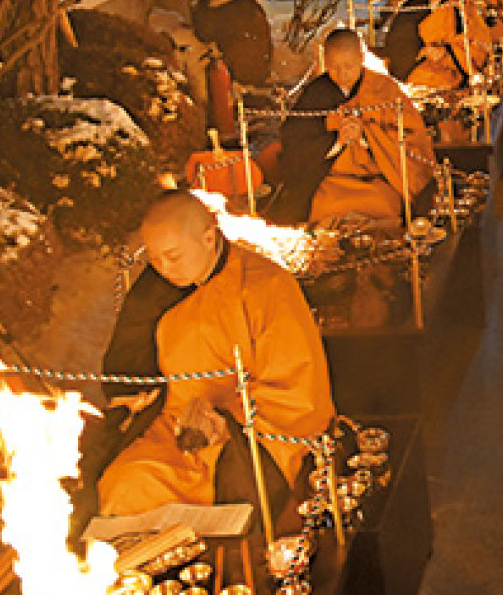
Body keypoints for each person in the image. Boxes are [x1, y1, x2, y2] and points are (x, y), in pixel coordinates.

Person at [92, 191, 336, 517]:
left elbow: (297, 392)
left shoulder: (266, 286)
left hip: (248, 432)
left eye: (173, 256)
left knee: (232, 502)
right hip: (173, 425)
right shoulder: (157, 289)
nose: (164, 268)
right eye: (154, 258)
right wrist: (136, 399)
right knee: (122, 484)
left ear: (209, 237)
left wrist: (225, 424)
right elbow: (130, 368)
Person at [270, 27, 433, 225]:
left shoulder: (384, 89)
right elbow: (294, 143)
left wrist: (366, 137)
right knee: (323, 206)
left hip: (377, 178)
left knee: (385, 205)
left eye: (349, 66)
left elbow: (411, 136)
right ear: (325, 62)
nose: (342, 74)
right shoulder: (315, 94)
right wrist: (337, 142)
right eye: (334, 67)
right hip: (333, 180)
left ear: (362, 58)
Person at [381, 0, 493, 90]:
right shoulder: (413, 7)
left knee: (447, 82)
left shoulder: (461, 5)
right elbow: (397, 47)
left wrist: (446, 51)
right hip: (420, 70)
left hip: (452, 68)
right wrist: (422, 52)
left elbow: (479, 44)